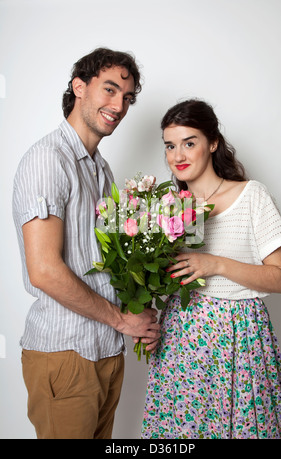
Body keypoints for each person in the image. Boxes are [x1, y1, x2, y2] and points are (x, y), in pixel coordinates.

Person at [12, 47, 160, 440]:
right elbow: (43, 270)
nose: (119, 105)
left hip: (107, 351)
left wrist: (141, 309)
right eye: (109, 90)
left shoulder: (101, 169)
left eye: (127, 98)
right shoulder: (49, 160)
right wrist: (122, 320)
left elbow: (114, 262)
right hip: (66, 352)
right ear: (79, 87)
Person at [141, 99, 281, 439]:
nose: (178, 156)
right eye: (170, 145)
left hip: (240, 338)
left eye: (189, 143)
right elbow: (160, 283)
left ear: (213, 143)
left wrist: (216, 264)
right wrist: (148, 321)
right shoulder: (167, 210)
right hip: (181, 339)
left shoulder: (251, 195)